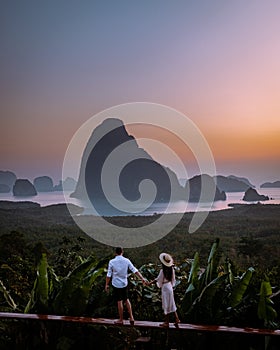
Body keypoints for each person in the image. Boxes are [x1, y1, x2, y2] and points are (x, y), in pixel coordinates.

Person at [105, 246, 147, 325]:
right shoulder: (126, 260)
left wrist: (106, 284)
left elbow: (109, 274)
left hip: (116, 284)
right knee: (126, 299)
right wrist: (142, 278)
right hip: (124, 283)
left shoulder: (112, 261)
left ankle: (121, 319)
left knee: (119, 301)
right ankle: (131, 317)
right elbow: (134, 270)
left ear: (115, 253)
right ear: (122, 252)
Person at [148, 252, 180, 328]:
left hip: (165, 287)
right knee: (171, 303)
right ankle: (177, 319)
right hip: (169, 287)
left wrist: (149, 283)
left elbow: (158, 279)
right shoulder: (172, 270)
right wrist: (171, 286)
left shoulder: (162, 271)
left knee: (166, 304)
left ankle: (166, 322)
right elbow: (173, 280)